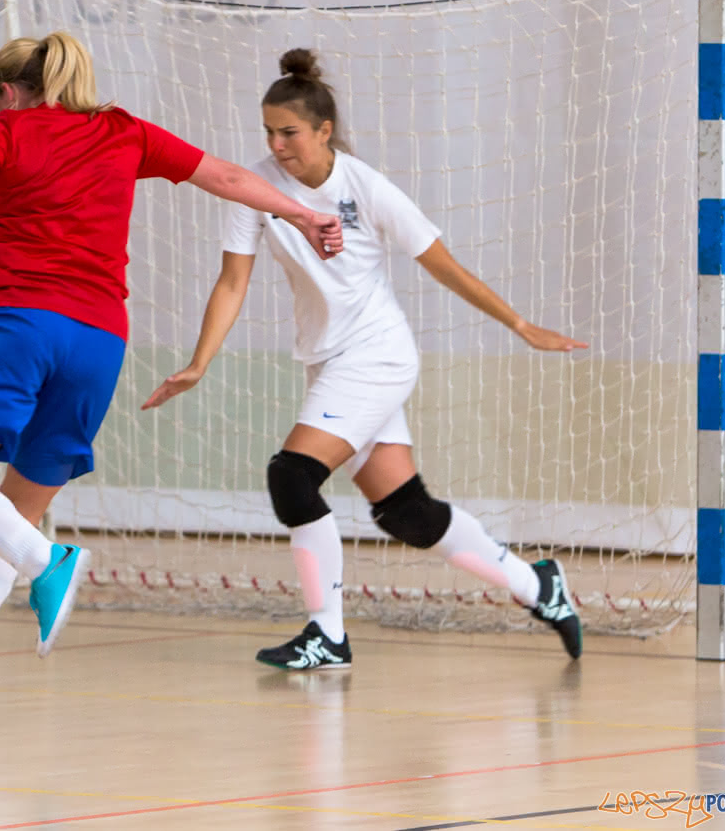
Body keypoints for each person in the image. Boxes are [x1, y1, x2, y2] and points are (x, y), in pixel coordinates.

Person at [0, 31, 344, 715]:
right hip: (101, 342)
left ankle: (49, 562)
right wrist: (305, 212)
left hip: (21, 327)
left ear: (8, 94)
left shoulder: (12, 132)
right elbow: (226, 176)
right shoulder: (123, 131)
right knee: (15, 511)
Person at [144, 48, 586, 669]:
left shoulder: (367, 188)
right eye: (268, 131)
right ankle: (541, 587)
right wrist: (199, 362)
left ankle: (327, 634)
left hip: (376, 354)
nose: (277, 143)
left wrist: (519, 324)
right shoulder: (255, 187)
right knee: (407, 512)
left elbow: (444, 266)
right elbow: (232, 283)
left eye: (290, 132)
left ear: (324, 131)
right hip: (328, 360)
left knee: (291, 475)